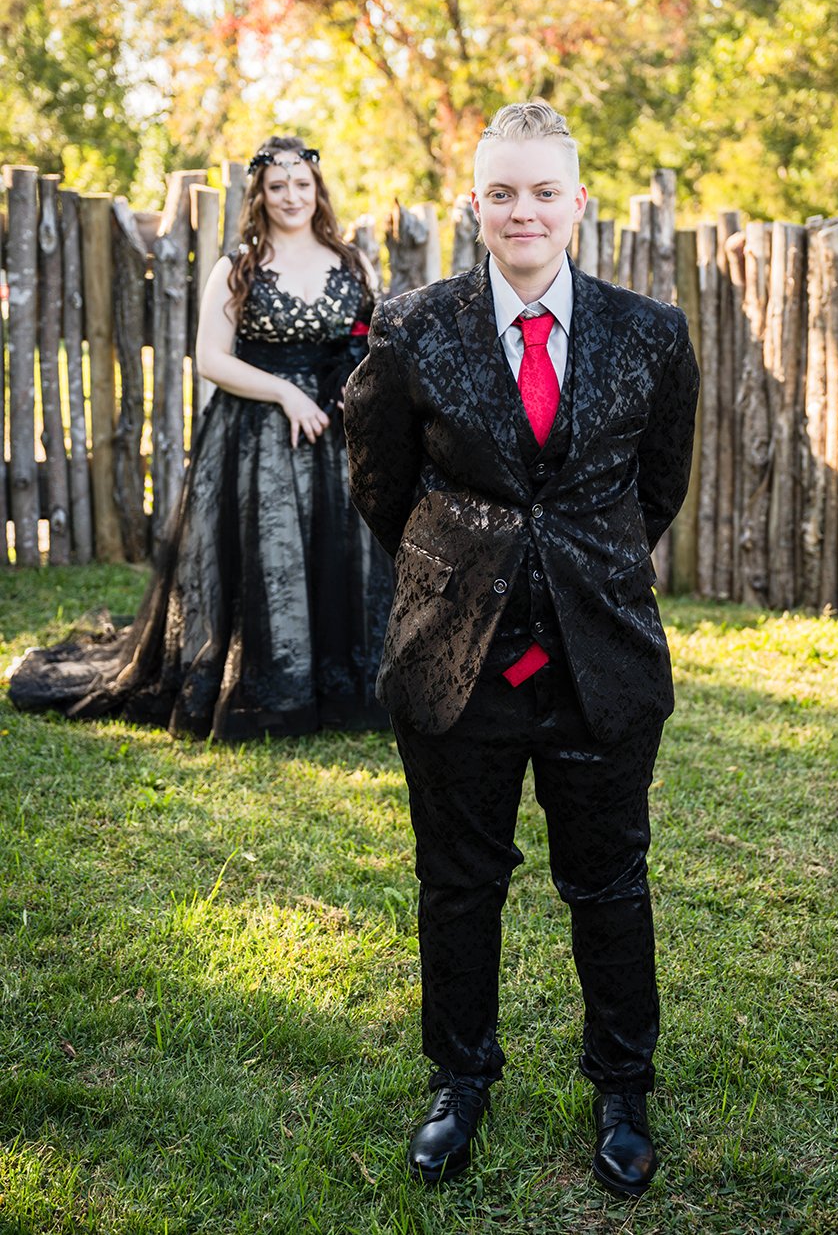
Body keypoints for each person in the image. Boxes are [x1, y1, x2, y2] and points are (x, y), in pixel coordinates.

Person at [343, 102, 699, 1196]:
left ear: (578, 203)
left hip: (604, 656)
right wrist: (471, 562)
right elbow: (381, 486)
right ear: (474, 204)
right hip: (454, 660)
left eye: (544, 191)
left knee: (608, 881)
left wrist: (576, 566)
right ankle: (459, 1080)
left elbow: (658, 487)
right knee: (458, 882)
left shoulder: (651, 333)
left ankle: (621, 1086)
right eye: (502, 192)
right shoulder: (411, 327)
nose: (523, 211)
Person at [9, 136, 392, 739]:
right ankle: (273, 686)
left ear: (317, 190)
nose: (291, 196)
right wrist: (285, 392)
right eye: (277, 186)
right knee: (271, 561)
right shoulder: (238, 266)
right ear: (259, 196)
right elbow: (211, 359)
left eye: (301, 184)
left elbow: (367, 342)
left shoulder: (352, 262)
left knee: (333, 557)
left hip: (333, 437)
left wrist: (351, 386)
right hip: (258, 439)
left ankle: (333, 685)